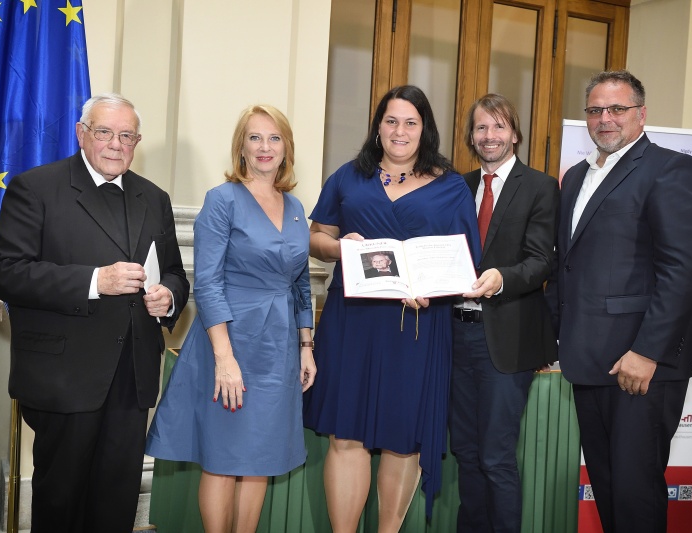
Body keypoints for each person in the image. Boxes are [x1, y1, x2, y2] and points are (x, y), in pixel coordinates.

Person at [0, 93, 189, 533]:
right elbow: (6, 272)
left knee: (115, 504)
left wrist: (168, 297)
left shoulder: (154, 198)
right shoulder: (36, 187)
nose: (116, 144)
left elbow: (173, 272)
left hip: (133, 376)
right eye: (105, 132)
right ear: (82, 134)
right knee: (61, 502)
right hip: (66, 376)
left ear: (138, 141)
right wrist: (97, 281)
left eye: (127, 135)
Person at [303, 85, 481, 532]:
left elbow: (463, 258)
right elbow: (315, 236)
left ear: (425, 129)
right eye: (391, 121)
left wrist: (435, 289)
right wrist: (339, 246)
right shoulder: (349, 176)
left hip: (418, 324)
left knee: (405, 440)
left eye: (410, 122)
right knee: (348, 436)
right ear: (378, 126)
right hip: (353, 321)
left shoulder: (451, 185)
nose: (400, 131)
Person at [544, 70, 692, 533]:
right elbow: (567, 263)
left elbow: (681, 272)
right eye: (595, 110)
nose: (605, 119)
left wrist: (647, 352)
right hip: (588, 360)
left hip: (641, 365)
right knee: (610, 488)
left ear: (641, 113)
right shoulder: (576, 177)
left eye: (617, 109)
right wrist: (556, 338)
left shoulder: (671, 169)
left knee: (636, 496)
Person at [145, 104, 315, 533]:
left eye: (274, 138)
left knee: (261, 458)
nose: (265, 147)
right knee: (223, 458)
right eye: (255, 137)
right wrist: (224, 358)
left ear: (286, 148)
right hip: (229, 342)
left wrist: (306, 346)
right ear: (241, 147)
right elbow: (206, 282)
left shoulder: (295, 206)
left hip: (278, 350)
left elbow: (299, 284)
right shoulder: (222, 200)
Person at [451, 93, 559, 532]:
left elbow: (540, 262)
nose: (489, 135)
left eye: (498, 126)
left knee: (496, 456)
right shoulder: (457, 186)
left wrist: (501, 278)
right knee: (466, 454)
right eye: (481, 127)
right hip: (455, 337)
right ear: (471, 137)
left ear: (514, 133)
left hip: (506, 340)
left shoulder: (540, 186)